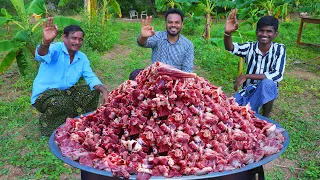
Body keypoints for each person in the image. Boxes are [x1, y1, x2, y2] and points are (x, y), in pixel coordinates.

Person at [31, 17, 108, 136]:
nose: (77, 42)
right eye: (74, 38)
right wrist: (46, 42)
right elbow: (41, 55)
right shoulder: (55, 48)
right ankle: (49, 126)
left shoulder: (82, 57)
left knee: (92, 91)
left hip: (65, 93)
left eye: (80, 39)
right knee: (61, 102)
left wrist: (104, 91)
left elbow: (90, 77)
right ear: (64, 37)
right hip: (44, 95)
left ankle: (80, 121)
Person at [224, 9, 286, 117]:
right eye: (261, 30)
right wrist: (228, 33)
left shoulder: (279, 49)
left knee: (268, 84)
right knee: (229, 110)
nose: (264, 34)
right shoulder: (250, 47)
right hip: (248, 89)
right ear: (257, 32)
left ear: (275, 34)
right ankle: (251, 110)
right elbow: (231, 47)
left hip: (267, 89)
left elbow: (277, 74)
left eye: (269, 31)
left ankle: (263, 117)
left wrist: (247, 76)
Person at [132, 8, 194, 80]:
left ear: (182, 24)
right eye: (170, 22)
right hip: (155, 78)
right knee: (134, 75)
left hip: (174, 81)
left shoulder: (188, 45)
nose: (173, 25)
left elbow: (187, 70)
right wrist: (143, 37)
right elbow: (142, 43)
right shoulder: (158, 36)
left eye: (177, 22)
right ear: (166, 23)